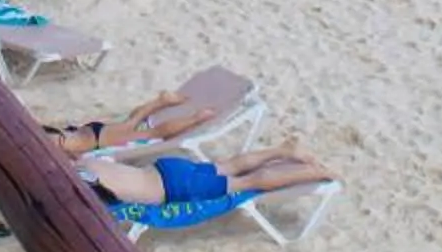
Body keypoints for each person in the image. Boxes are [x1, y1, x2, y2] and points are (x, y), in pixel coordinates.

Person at [75, 145, 335, 211]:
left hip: (176, 187)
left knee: (249, 182)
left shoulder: (88, 190)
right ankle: (284, 150)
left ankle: (316, 172)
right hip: (164, 169)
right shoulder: (82, 165)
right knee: (231, 165)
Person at [43, 87, 234, 157]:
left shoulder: (45, 145)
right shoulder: (36, 134)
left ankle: (196, 117)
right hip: (89, 133)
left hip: (97, 141)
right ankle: (161, 101)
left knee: (153, 134)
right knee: (131, 122)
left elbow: (70, 154)